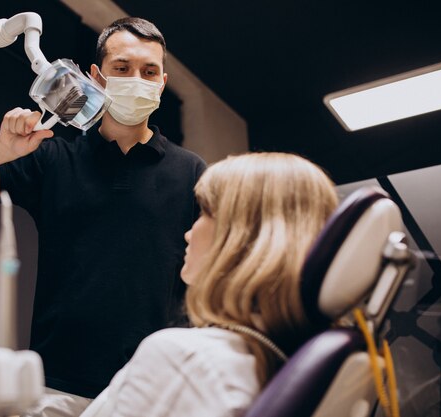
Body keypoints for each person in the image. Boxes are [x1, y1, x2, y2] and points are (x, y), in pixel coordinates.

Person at [0, 17, 206, 417]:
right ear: (96, 76)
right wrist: (1, 147)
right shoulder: (54, 159)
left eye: (149, 71)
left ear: (161, 81)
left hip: (150, 391)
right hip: (55, 386)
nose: (136, 79)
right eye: (122, 68)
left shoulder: (192, 173)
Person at [79, 152, 339, 417]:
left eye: (204, 211)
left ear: (244, 235)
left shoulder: (186, 359)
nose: (188, 233)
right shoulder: (294, 367)